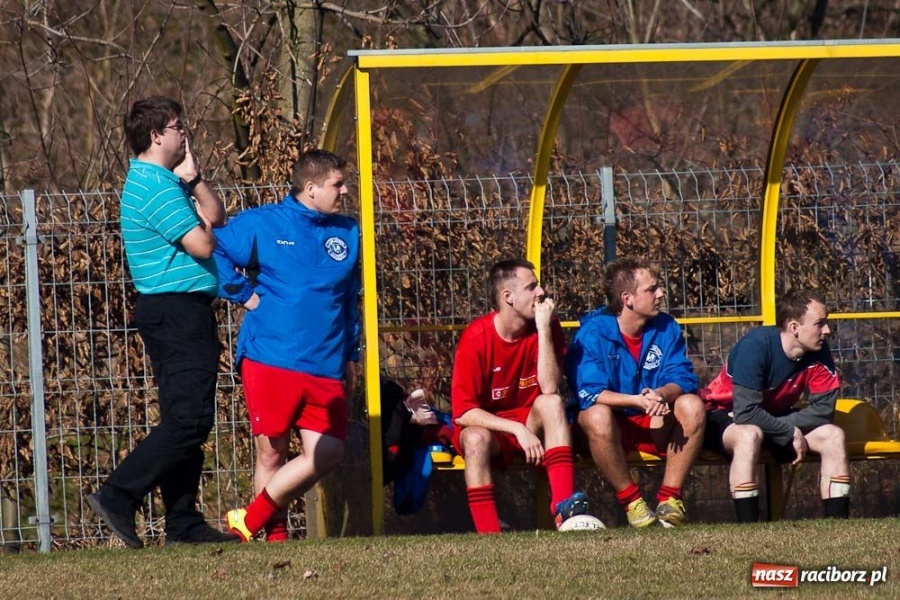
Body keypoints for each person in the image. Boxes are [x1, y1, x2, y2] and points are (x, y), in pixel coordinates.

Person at [87, 96, 239, 547]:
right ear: (156, 136)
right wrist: (199, 220)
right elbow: (204, 245)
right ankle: (118, 495)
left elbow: (216, 218)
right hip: (175, 311)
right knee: (190, 419)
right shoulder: (153, 186)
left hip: (182, 310)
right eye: (177, 126)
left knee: (184, 417)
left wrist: (194, 180)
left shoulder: (168, 182)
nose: (184, 132)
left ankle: (183, 522)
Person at [213, 149, 360, 542]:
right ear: (311, 188)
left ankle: (249, 520)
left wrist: (351, 354)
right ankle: (275, 540)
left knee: (329, 452)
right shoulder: (264, 222)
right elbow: (213, 250)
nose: (345, 191)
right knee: (271, 453)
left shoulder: (347, 232)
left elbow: (350, 299)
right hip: (271, 357)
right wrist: (243, 293)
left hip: (326, 363)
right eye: (337, 184)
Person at [451, 259, 589, 534]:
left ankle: (564, 511)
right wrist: (516, 429)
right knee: (474, 438)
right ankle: (490, 535)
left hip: (531, 421)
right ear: (508, 297)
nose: (541, 292)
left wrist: (544, 329)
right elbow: (464, 412)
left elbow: (549, 387)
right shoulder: (476, 337)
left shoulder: (546, 327)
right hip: (493, 430)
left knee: (552, 403)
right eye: (531, 287)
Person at [566, 257, 705, 528]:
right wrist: (635, 401)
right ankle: (633, 503)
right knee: (596, 415)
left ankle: (670, 501)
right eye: (651, 289)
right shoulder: (592, 332)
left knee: (692, 404)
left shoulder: (667, 326)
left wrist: (661, 394)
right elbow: (589, 392)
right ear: (627, 299)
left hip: (654, 420)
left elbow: (683, 376)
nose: (660, 294)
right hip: (611, 429)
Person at [700, 289, 848, 522]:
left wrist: (782, 428)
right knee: (749, 435)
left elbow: (823, 411)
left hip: (771, 419)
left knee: (833, 436)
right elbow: (744, 412)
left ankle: (838, 525)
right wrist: (788, 431)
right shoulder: (756, 346)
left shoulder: (820, 350)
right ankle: (749, 529)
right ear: (794, 327)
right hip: (723, 416)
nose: (827, 330)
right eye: (820, 324)